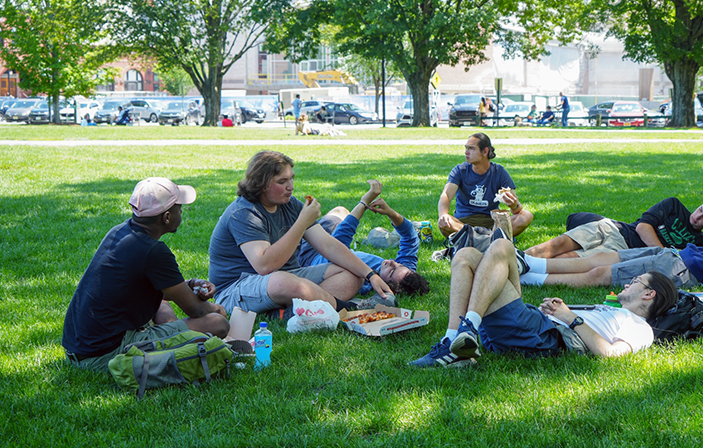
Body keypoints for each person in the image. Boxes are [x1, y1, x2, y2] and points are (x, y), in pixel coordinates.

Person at [408, 238, 678, 368]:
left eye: (637, 281)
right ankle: (455, 339)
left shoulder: (641, 327)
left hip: (543, 336)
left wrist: (571, 317)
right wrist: (555, 310)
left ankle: (464, 334)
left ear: (649, 294)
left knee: (502, 247)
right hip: (535, 326)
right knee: (466, 255)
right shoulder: (610, 309)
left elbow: (610, 354)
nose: (628, 282)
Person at [62, 178, 230, 372]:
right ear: (167, 217)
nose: (182, 211)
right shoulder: (154, 251)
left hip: (80, 346)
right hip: (105, 353)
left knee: (162, 302)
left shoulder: (120, 232)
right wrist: (217, 309)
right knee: (217, 323)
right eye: (179, 207)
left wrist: (190, 284)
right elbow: (196, 311)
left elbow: (143, 287)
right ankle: (176, 336)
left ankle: (175, 333)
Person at [208, 151, 394, 316]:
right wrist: (302, 222)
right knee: (285, 282)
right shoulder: (244, 213)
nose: (291, 186)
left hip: (288, 278)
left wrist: (370, 274)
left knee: (353, 273)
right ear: (261, 185)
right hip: (236, 289)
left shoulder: (290, 204)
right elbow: (265, 266)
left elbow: (328, 245)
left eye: (291, 178)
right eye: (282, 182)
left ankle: (288, 312)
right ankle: (347, 309)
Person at [516, 199, 703, 290]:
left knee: (600, 274)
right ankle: (525, 264)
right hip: (676, 255)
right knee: (603, 258)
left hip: (682, 267)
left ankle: (530, 277)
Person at [298, 180, 430, 305]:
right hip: (329, 240)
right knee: (341, 210)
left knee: (301, 220)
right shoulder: (405, 275)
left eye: (390, 271)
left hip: (312, 253)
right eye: (399, 265)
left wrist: (364, 202)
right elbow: (411, 237)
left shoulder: (364, 283)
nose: (391, 262)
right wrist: (390, 213)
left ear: (386, 286)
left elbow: (338, 244)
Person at [525, 197, 703, 259]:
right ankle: (518, 259)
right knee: (559, 243)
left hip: (622, 252)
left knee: (571, 258)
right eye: (700, 209)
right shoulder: (674, 205)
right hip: (615, 229)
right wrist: (664, 251)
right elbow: (643, 227)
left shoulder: (702, 242)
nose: (696, 216)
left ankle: (522, 272)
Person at [437, 132, 534, 238]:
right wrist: (443, 214)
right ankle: (492, 239)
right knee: (444, 223)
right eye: (466, 148)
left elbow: (517, 210)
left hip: (492, 223)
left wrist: (513, 205)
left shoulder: (499, 172)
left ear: (485, 151)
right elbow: (446, 195)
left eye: (471, 149)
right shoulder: (460, 170)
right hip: (463, 225)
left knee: (526, 216)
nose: (466, 152)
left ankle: (477, 239)